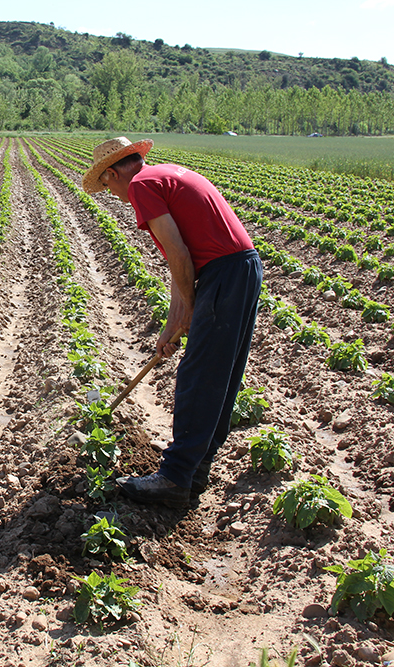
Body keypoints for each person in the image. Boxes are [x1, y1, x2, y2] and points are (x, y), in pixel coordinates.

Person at [81, 137, 262, 508]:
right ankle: (195, 470)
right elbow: (183, 262)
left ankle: (175, 477)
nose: (112, 194)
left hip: (224, 276)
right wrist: (174, 322)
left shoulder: (142, 186)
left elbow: (179, 255)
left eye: (106, 185)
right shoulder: (166, 176)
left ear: (115, 172)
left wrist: (193, 307)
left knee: (200, 375)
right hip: (237, 270)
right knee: (219, 376)